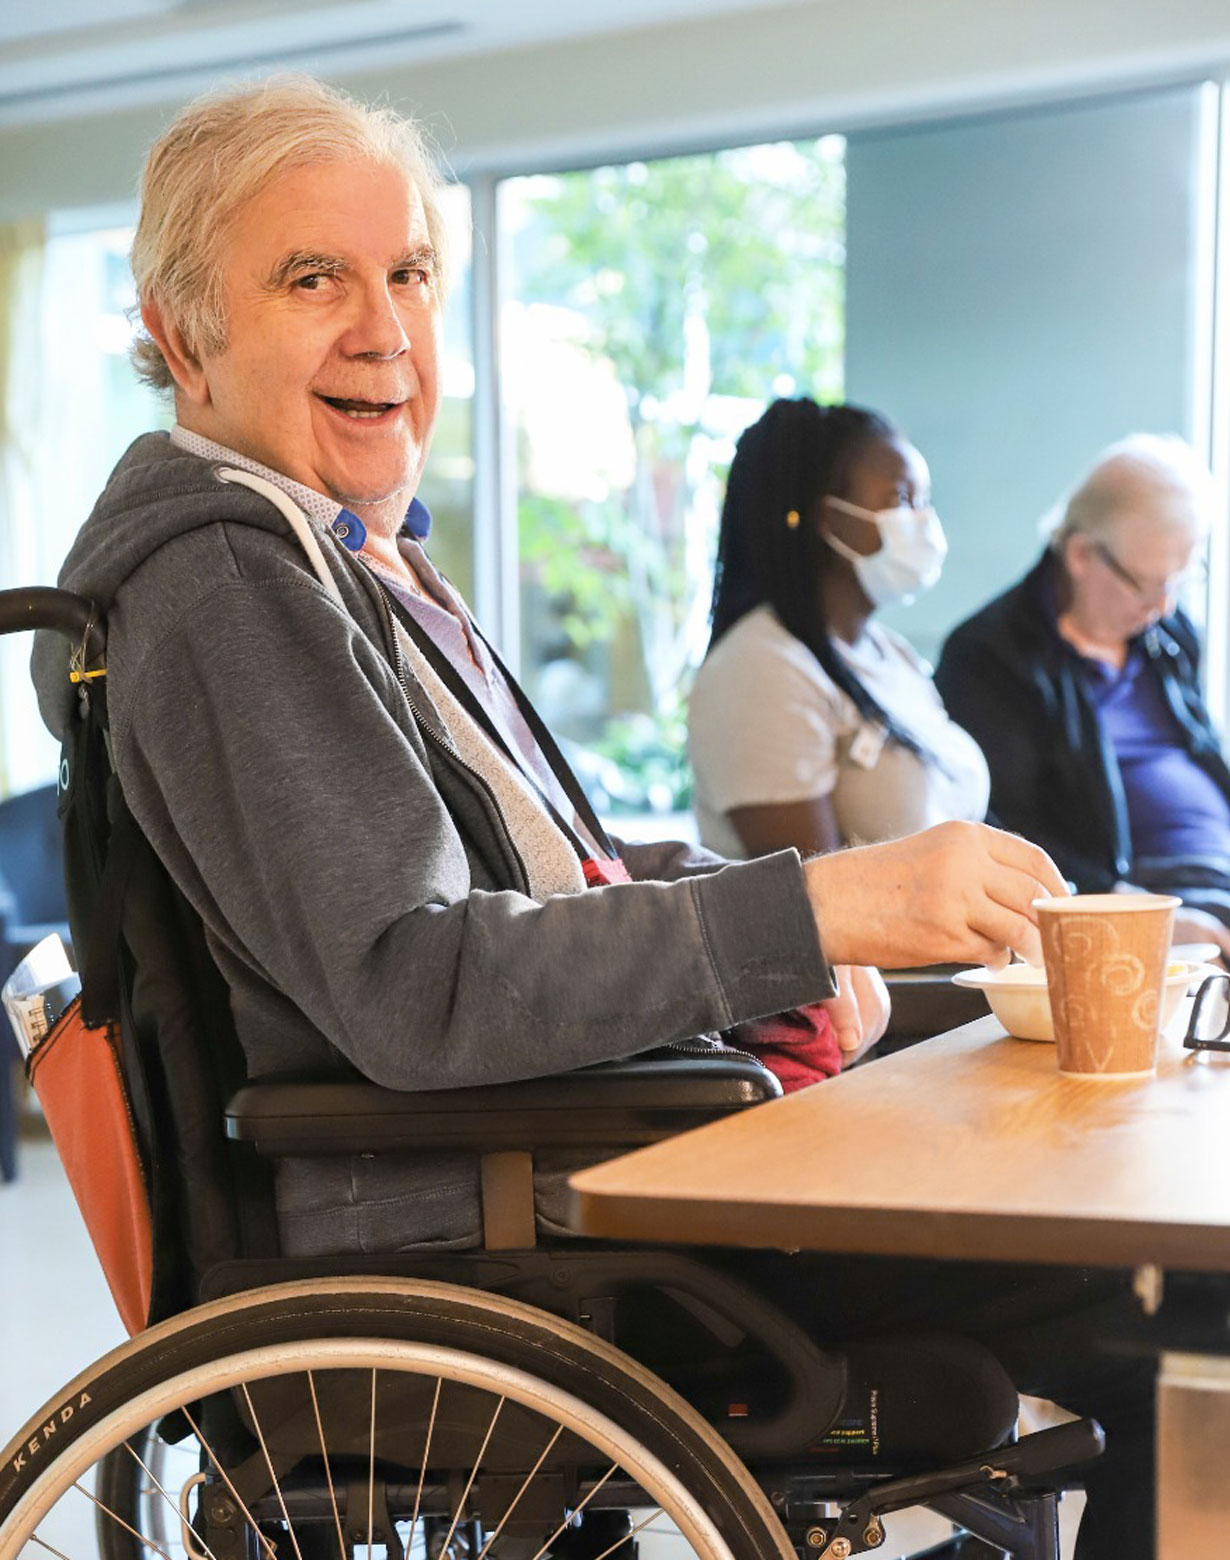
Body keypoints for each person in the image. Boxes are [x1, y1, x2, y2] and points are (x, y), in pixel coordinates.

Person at [31, 79, 1151, 1558]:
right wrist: (813, 912)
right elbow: (418, 985)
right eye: (315, 278)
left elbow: (533, 890)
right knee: (1142, 1304)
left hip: (563, 1175)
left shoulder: (341, 560)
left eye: (410, 274)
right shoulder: (229, 585)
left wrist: (814, 931)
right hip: (501, 1235)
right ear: (180, 329)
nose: (385, 328)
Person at [936, 434, 1230, 960]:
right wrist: (1131, 909)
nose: (1164, 606)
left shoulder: (1169, 634)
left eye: (1178, 582)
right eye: (1146, 584)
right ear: (1080, 554)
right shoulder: (990, 657)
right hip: (1150, 900)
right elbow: (1006, 834)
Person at [688, 398, 989, 860]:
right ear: (825, 518)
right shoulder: (760, 669)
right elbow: (811, 900)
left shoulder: (892, 654)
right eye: (902, 499)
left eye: (924, 501)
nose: (923, 522)